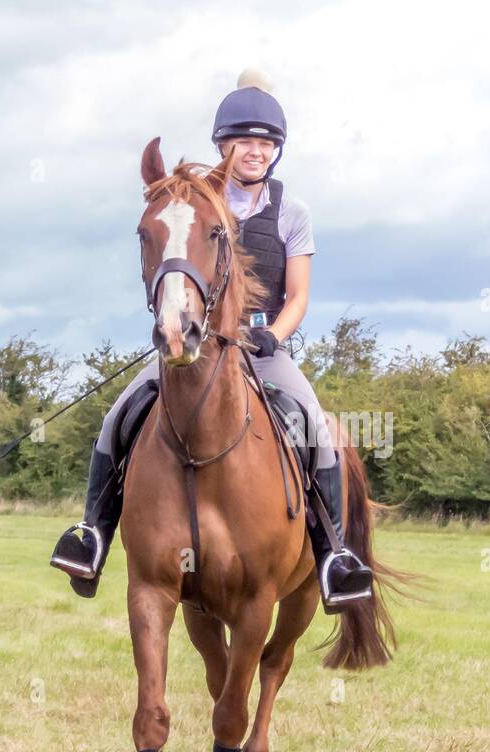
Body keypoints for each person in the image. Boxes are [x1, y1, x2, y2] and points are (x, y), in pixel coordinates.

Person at [51, 72, 373, 613]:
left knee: (316, 425)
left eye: (267, 143)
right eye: (245, 141)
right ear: (222, 146)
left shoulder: (292, 213)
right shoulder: (198, 200)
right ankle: (93, 535)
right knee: (118, 417)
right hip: (193, 343)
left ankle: (334, 555)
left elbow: (297, 296)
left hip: (262, 347)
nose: (257, 151)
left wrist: (272, 334)